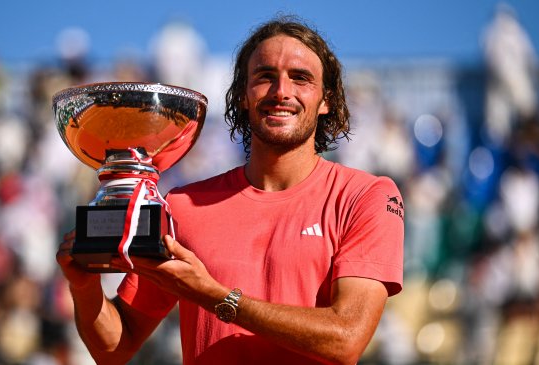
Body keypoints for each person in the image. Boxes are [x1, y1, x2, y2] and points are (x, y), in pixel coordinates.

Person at [57, 16, 404, 365]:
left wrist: (217, 298)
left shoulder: (366, 196)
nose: (281, 91)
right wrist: (84, 288)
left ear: (326, 99)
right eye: (265, 76)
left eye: (300, 78)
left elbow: (347, 338)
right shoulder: (183, 205)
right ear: (242, 96)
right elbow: (114, 347)